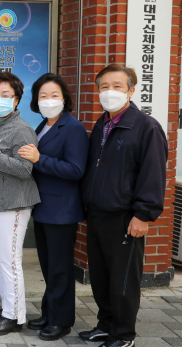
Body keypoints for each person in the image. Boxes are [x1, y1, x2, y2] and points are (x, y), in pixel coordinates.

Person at [78, 64, 167, 347]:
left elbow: (153, 174)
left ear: (131, 90)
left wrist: (143, 215)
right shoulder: (101, 124)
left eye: (117, 86)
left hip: (126, 218)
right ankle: (105, 325)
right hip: (98, 214)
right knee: (102, 277)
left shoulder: (146, 127)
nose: (110, 92)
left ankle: (124, 334)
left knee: (123, 281)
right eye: (104, 87)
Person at [17, 73, 88, 340]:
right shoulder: (43, 125)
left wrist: (38, 158)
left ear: (65, 98)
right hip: (44, 206)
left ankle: (61, 321)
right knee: (48, 266)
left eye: (54, 95)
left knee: (60, 268)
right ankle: (49, 313)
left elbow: (76, 169)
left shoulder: (73, 128)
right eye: (43, 96)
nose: (48, 100)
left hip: (62, 210)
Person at [0, 72, 40, 336]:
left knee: (10, 260)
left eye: (6, 95)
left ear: (16, 100)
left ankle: (14, 316)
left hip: (12, 204)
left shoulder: (21, 128)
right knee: (0, 258)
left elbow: (24, 169)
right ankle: (7, 308)